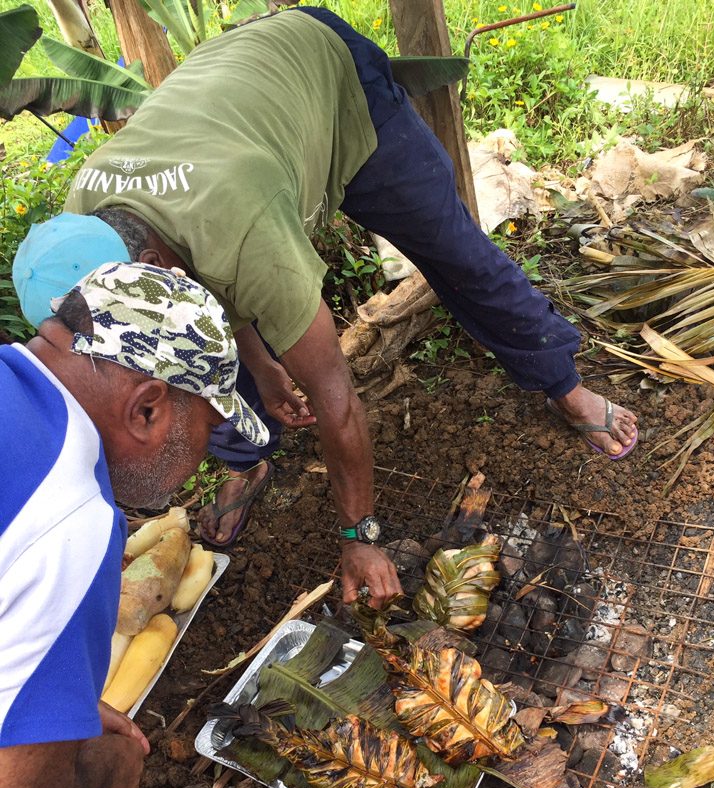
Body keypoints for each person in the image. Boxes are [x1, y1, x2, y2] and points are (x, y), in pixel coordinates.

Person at [13, 6, 637, 609]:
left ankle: (564, 383)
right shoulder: (84, 229)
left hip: (328, 77)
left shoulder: (246, 233)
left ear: (153, 268)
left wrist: (360, 536)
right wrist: (260, 366)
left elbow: (335, 397)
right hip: (236, 125)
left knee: (454, 251)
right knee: (196, 348)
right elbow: (196, 309)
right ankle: (246, 462)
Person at [0, 260, 394, 788]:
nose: (203, 463)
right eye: (207, 431)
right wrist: (96, 767)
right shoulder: (69, 518)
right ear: (148, 409)